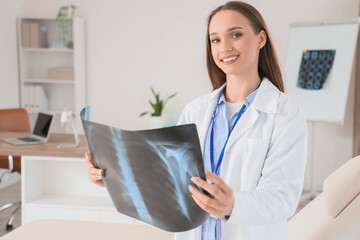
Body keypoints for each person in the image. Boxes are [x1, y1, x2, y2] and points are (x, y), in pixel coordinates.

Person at [85, 1, 307, 240]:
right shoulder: (196, 110)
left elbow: (283, 198)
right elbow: (171, 183)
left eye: (236, 34)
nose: (225, 47)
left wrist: (232, 205)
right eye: (216, 40)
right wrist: (116, 180)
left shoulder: (285, 114)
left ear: (260, 39)